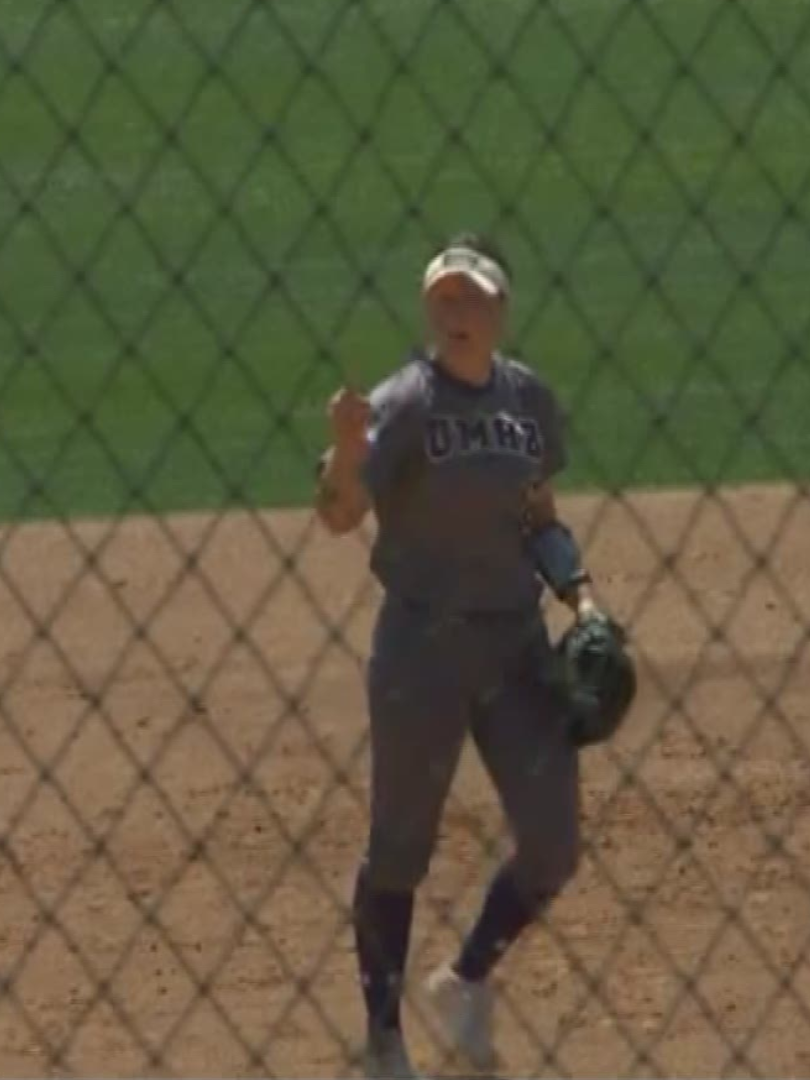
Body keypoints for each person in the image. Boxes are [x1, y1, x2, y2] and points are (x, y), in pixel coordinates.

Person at [314, 233, 609, 1077]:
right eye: (443, 296)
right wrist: (346, 447)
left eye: (471, 296)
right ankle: (383, 1036)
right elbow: (338, 514)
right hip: (420, 650)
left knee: (554, 842)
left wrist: (582, 597)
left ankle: (467, 976)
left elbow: (541, 518)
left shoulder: (528, 404)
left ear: (500, 309)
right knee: (401, 843)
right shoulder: (403, 403)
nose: (455, 310)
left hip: (514, 644)